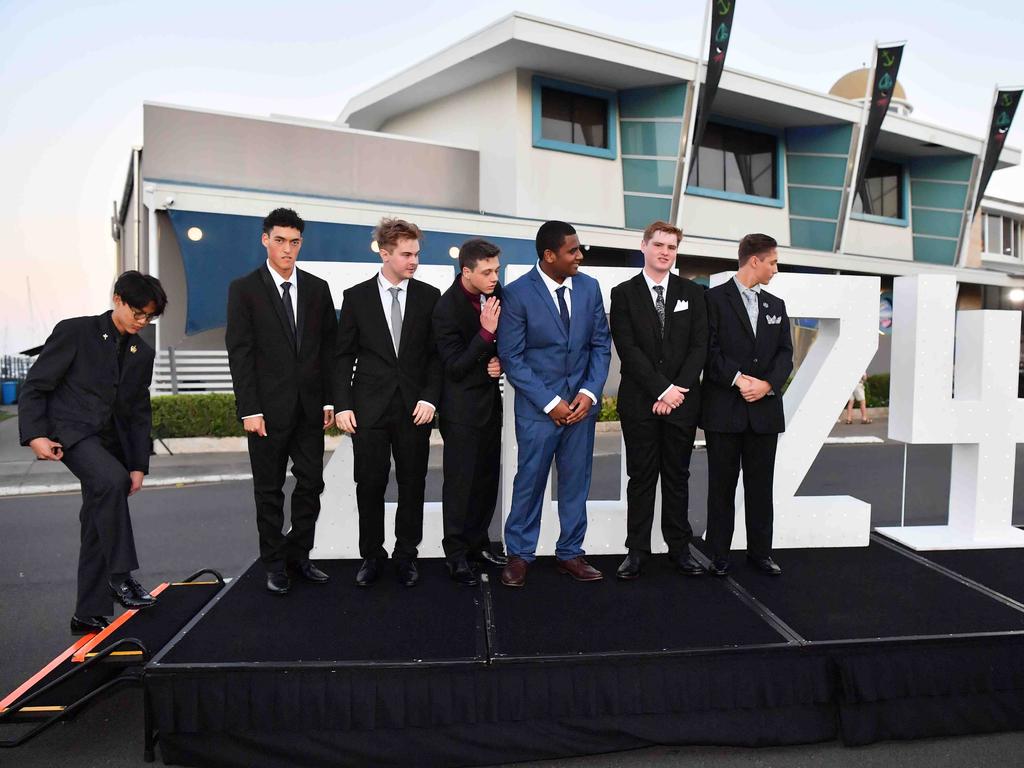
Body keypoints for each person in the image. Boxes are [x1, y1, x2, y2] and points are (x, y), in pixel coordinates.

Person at [19, 271, 167, 634]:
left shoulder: (141, 352)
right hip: (71, 433)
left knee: (99, 518)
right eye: (137, 312)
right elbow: (36, 385)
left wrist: (137, 465)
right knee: (109, 481)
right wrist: (35, 434)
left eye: (149, 317)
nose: (142, 321)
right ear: (117, 299)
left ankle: (87, 612)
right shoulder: (75, 331)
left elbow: (136, 412)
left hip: (110, 443)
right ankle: (121, 577)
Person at [225, 208, 337, 595]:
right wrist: (249, 409)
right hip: (266, 413)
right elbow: (240, 352)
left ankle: (299, 555)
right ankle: (273, 563)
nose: (287, 249)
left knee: (312, 483)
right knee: (268, 489)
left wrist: (329, 400)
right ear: (265, 240)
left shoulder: (317, 288)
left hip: (309, 409)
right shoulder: (244, 289)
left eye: (294, 242)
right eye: (280, 241)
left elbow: (328, 349)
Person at [497, 220, 611, 587]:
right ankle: (519, 555)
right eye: (572, 251)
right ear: (549, 256)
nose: (579, 256)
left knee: (577, 483)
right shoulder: (516, 294)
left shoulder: (590, 288)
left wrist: (589, 394)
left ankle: (570, 553)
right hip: (538, 411)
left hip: (581, 409)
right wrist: (550, 403)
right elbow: (512, 357)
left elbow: (600, 345)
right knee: (529, 481)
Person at [335, 218, 442, 588]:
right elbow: (342, 356)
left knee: (413, 484)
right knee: (369, 484)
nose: (414, 261)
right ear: (385, 253)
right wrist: (343, 404)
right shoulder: (356, 297)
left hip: (415, 408)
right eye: (406, 254)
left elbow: (435, 356)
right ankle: (371, 555)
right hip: (368, 409)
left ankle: (406, 555)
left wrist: (430, 397)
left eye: (417, 254)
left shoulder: (430, 297)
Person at [609, 221, 708, 580]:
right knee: (641, 478)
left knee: (677, 477)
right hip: (640, 403)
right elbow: (627, 348)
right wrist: (660, 389)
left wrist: (676, 389)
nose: (666, 252)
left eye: (672, 246)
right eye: (659, 244)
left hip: (682, 403)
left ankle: (679, 549)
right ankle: (636, 551)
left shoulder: (693, 293)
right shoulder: (623, 294)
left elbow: (700, 346)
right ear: (644, 246)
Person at [702, 233, 793, 577]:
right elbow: (708, 352)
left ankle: (760, 554)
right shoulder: (712, 300)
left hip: (764, 414)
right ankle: (719, 556)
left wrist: (768, 384)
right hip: (724, 412)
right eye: (772, 262)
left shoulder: (776, 305)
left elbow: (786, 353)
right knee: (721, 488)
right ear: (754, 260)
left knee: (760, 488)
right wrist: (740, 380)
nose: (775, 269)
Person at [432, 238, 508, 586]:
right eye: (487, 271)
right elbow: (454, 366)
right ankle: (456, 554)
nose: (495, 277)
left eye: (497, 269)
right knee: (461, 483)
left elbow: (507, 342)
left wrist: (499, 361)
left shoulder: (497, 294)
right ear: (467, 272)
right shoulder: (446, 308)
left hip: (491, 404)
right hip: (460, 410)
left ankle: (478, 544)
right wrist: (485, 335)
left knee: (486, 479)